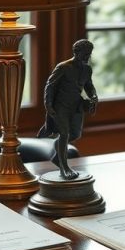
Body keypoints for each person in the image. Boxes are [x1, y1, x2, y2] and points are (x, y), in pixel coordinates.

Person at [38, 39, 98, 180]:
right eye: (85, 54)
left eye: (89, 54)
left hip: (76, 106)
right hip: (61, 107)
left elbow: (89, 86)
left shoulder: (87, 69)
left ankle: (57, 152)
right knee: (64, 134)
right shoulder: (63, 67)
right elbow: (50, 86)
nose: (87, 57)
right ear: (76, 52)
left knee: (75, 135)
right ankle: (64, 167)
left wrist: (94, 96)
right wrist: (48, 105)